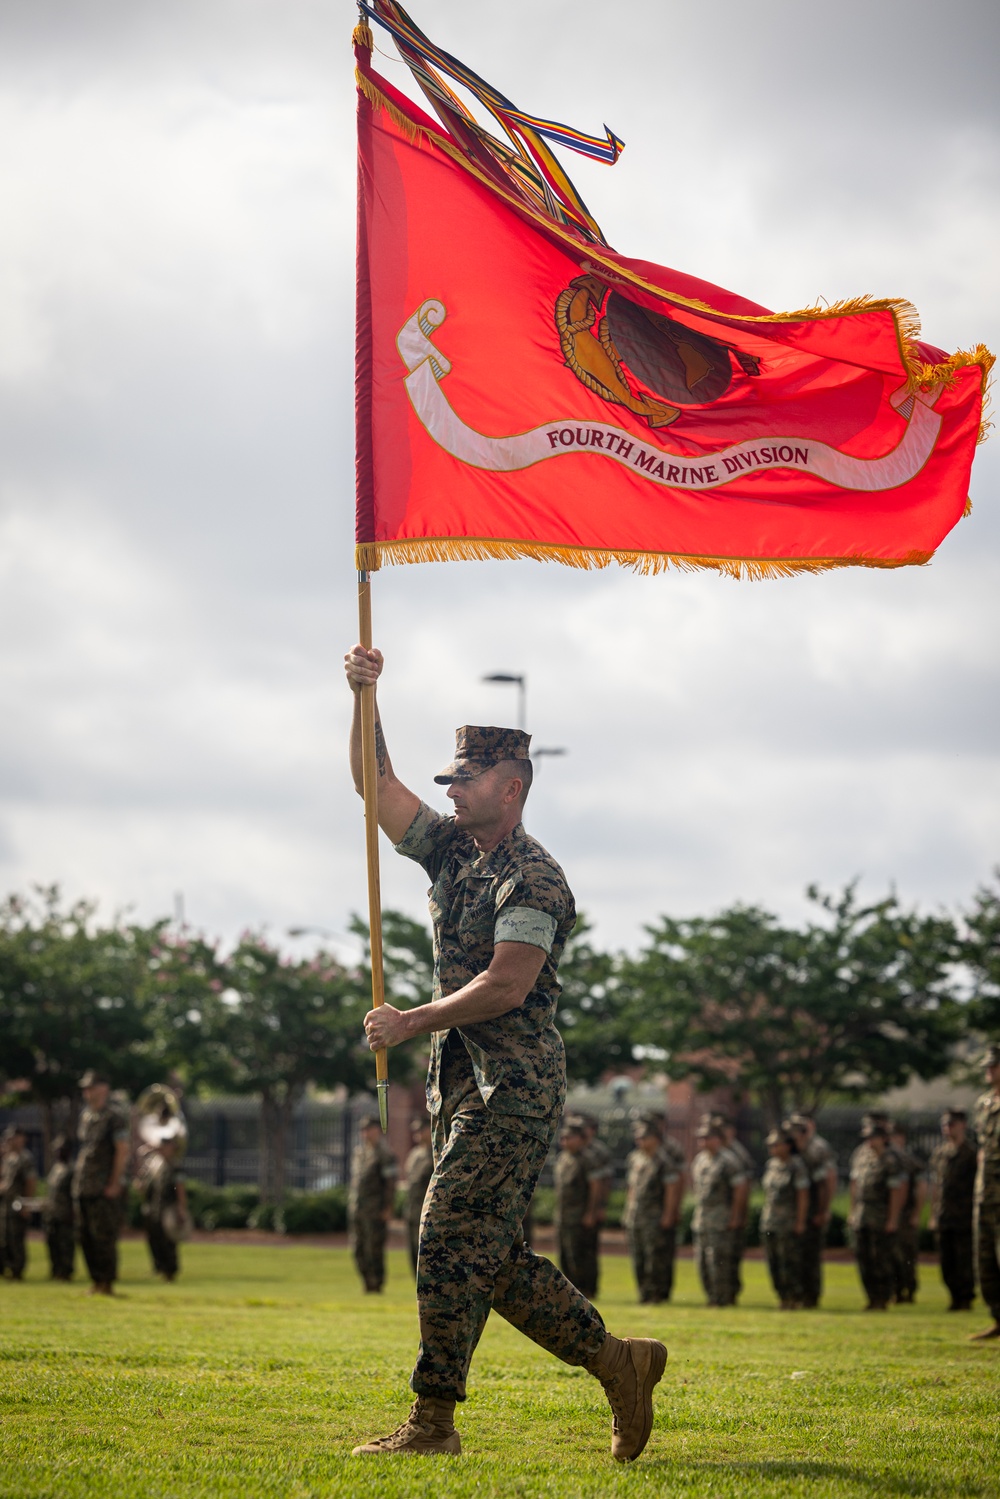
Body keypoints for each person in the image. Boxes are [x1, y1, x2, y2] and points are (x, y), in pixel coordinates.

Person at [344, 641, 667, 1462]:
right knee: (485, 1252)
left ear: (510, 787)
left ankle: (434, 1423)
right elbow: (374, 788)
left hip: (514, 1084)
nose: (450, 791)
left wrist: (412, 1019)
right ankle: (617, 1361)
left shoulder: (536, 877)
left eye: (466, 779)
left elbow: (506, 985)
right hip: (462, 1082)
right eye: (449, 779)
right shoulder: (453, 850)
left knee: (446, 1230)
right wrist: (364, 698)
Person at [72, 1069, 130, 1296]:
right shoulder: (86, 1116)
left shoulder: (114, 1117)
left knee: (103, 1236)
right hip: (83, 1186)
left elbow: (122, 1150)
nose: (87, 1092)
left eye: (91, 1087)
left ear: (103, 1089)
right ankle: (95, 1280)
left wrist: (115, 1182)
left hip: (102, 1187)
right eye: (85, 1088)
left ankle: (106, 1282)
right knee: (84, 1236)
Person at [623, 1119, 683, 1305]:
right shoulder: (635, 1158)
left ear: (656, 1139)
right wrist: (628, 1209)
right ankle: (644, 1293)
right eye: (638, 1138)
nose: (640, 1141)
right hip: (636, 1216)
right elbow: (632, 1187)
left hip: (655, 1216)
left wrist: (668, 1214)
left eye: (644, 1137)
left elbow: (672, 1189)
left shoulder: (664, 1161)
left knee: (656, 1256)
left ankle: (657, 1293)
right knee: (638, 1256)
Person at [691, 1120, 749, 1307]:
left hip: (722, 1218)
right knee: (702, 1262)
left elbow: (740, 1189)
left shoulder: (729, 1160)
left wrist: (735, 1216)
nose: (703, 1141)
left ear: (718, 1139)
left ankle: (724, 1298)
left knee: (721, 1260)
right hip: (703, 1219)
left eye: (707, 1137)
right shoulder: (700, 1160)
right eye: (701, 1138)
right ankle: (711, 1297)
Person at [849, 1123, 906, 1310]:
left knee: (880, 1259)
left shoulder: (890, 1160)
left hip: (880, 1217)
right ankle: (872, 1297)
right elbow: (855, 1188)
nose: (869, 1141)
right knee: (864, 1259)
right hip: (863, 1216)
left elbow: (895, 1191)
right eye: (867, 1138)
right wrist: (853, 1212)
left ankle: (883, 1297)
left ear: (883, 1139)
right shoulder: (862, 1158)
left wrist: (892, 1219)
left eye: (873, 1137)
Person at [785, 1113, 838, 1308]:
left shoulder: (817, 1149)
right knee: (795, 1255)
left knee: (810, 1256)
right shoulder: (794, 1149)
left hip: (814, 1210)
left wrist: (823, 1211)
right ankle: (797, 1294)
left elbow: (827, 1182)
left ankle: (811, 1297)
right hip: (797, 1210)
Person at [928, 1107, 977, 1312]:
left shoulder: (971, 1153)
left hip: (964, 1216)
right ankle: (954, 1296)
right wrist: (933, 1214)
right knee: (947, 1261)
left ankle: (964, 1298)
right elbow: (936, 1186)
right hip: (945, 1215)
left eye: (951, 1124)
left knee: (964, 1260)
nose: (947, 1128)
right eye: (944, 1125)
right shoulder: (940, 1153)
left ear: (962, 1125)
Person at [969, 1044, 1000, 1342]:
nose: (988, 1071)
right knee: (985, 1261)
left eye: (993, 1066)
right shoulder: (984, 1104)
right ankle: (997, 1318)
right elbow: (982, 1150)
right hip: (986, 1195)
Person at [349, 1113, 398, 1294]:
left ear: (377, 1130)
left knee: (374, 1249)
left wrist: (387, 1208)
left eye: (368, 1129)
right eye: (363, 1130)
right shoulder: (359, 1153)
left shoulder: (385, 1154)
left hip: (375, 1210)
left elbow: (390, 1184)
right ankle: (366, 1281)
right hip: (358, 1209)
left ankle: (376, 1284)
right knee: (357, 1249)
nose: (365, 1133)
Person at [760, 1129, 809, 1309]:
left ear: (788, 1146)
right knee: (774, 1262)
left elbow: (802, 1195)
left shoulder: (796, 1166)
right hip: (770, 1221)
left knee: (790, 1261)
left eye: (776, 1144)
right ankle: (782, 1297)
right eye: (770, 1144)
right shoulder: (772, 1165)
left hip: (788, 1221)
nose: (772, 1148)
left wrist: (800, 1221)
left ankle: (794, 1297)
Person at [708, 1113, 754, 1302]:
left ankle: (729, 1294)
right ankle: (717, 1295)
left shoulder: (736, 1154)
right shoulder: (711, 1156)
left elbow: (744, 1186)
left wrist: (739, 1215)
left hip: (728, 1215)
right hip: (711, 1217)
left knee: (729, 1257)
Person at [137, 1136, 188, 1281]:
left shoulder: (175, 1166)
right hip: (154, 1208)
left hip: (168, 1209)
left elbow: (180, 1189)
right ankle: (158, 1268)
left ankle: (170, 1271)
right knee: (154, 1238)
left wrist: (181, 1209)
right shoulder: (153, 1165)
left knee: (168, 1240)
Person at [553, 1116, 592, 1295]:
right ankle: (568, 1291)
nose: (565, 1141)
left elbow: (596, 1187)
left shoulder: (586, 1160)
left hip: (579, 1215)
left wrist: (591, 1212)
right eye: (563, 1138)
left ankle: (584, 1290)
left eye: (569, 1137)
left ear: (580, 1139)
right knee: (564, 1254)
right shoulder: (563, 1159)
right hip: (563, 1214)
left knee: (579, 1255)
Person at [889, 1121, 925, 1304]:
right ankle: (895, 1291)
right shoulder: (886, 1159)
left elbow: (921, 1188)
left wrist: (916, 1214)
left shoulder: (911, 1162)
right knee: (889, 1256)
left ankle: (909, 1291)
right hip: (885, 1214)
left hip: (905, 1215)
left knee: (906, 1254)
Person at [578, 1112, 612, 1300]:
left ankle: (590, 1289)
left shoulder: (599, 1152)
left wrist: (600, 1207)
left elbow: (604, 1182)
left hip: (590, 1208)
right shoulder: (574, 1151)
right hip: (573, 1211)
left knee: (589, 1250)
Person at [0, 1124, 37, 1280]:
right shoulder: (9, 1158)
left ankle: (17, 1270)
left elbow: (31, 1182)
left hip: (17, 1204)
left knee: (16, 1239)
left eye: (13, 1137)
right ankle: (8, 1268)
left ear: (22, 1139)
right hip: (6, 1205)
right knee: (5, 1238)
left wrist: (26, 1204)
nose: (10, 1140)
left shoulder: (25, 1158)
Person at [403, 1117, 435, 1276]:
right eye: (415, 1130)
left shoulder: (436, 1154)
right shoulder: (414, 1154)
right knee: (412, 1250)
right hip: (412, 1210)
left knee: (426, 1251)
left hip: (428, 1211)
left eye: (421, 1130)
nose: (418, 1134)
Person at [43, 1135, 76, 1281]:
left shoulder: (72, 1170)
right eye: (56, 1150)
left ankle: (66, 1272)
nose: (58, 1152)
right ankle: (56, 1270)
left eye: (61, 1149)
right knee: (53, 1243)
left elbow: (74, 1195)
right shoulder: (55, 1169)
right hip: (52, 1213)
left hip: (66, 1214)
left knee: (65, 1244)